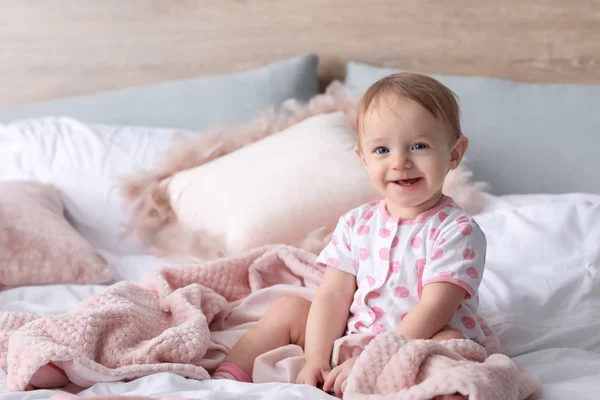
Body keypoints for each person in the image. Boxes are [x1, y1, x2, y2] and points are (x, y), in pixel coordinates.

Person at [212, 72, 487, 398]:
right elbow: (332, 295)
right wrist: (316, 356)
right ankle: (225, 380)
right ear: (363, 159)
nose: (400, 162)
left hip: (416, 338)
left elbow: (434, 309)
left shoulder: (456, 230)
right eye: (382, 149)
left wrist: (372, 359)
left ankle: (404, 387)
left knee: (449, 344)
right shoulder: (357, 223)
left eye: (419, 146)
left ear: (454, 154)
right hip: (350, 337)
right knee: (289, 307)